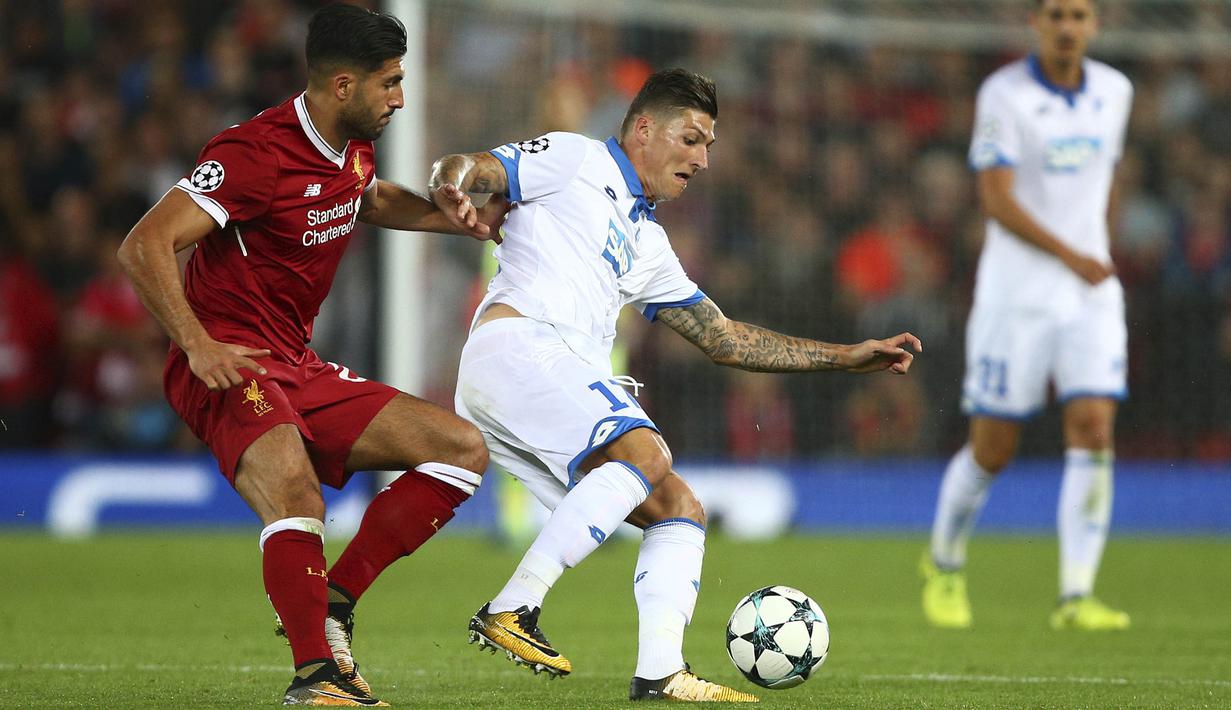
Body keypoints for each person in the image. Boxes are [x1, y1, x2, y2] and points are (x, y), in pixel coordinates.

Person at [429, 68, 921, 703]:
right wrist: (450, 182)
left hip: (540, 378)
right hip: (517, 345)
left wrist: (845, 357)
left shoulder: (647, 241)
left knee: (679, 508)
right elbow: (475, 166)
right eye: (692, 139)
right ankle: (512, 607)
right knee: (646, 450)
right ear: (643, 129)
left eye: (709, 145)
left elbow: (723, 338)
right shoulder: (576, 159)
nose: (703, 160)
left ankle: (661, 672)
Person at [118, 5, 505, 706]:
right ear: (341, 86)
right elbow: (145, 243)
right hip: (231, 360)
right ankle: (316, 677)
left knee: (460, 449)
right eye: (389, 84)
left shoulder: (354, 146)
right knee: (294, 492)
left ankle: (331, 604)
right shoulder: (252, 155)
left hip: (297, 362)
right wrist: (196, 343)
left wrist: (448, 219)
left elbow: (365, 196)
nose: (400, 99)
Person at [920, 0, 1133, 632]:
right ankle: (944, 561)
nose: (1068, 26)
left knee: (1094, 425)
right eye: (1055, 14)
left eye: (1079, 14)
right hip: (1017, 295)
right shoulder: (1004, 95)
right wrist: (1073, 254)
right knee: (994, 447)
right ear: (1035, 24)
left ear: (1094, 25)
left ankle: (1075, 595)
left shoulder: (1115, 92)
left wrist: (1099, 250)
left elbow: (1107, 179)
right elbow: (996, 200)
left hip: (1090, 293)